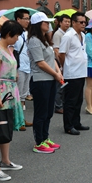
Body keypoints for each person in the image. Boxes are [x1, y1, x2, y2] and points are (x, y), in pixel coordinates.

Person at [0, 20, 25, 181]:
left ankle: (5, 160)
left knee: (6, 126)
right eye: (16, 36)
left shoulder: (8, 48)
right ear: (9, 34)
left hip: (10, 90)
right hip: (1, 91)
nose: (17, 39)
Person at [28, 12, 63, 153]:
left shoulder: (44, 39)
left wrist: (58, 72)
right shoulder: (34, 40)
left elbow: (51, 59)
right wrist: (55, 74)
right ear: (38, 24)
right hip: (40, 80)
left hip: (50, 79)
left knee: (48, 111)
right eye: (45, 23)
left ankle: (45, 137)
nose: (48, 25)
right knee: (41, 112)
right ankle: (39, 142)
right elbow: (40, 63)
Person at [58, 12, 89, 136]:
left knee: (79, 100)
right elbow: (61, 54)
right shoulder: (68, 36)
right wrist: (67, 66)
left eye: (84, 22)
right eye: (81, 22)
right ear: (73, 22)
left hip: (81, 72)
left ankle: (77, 123)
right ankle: (69, 126)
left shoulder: (83, 35)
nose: (83, 24)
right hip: (72, 73)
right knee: (70, 101)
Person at [14, 8, 33, 129]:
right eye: (25, 18)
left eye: (28, 18)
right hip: (19, 68)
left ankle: (21, 118)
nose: (28, 21)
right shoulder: (14, 34)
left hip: (27, 67)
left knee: (23, 95)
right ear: (18, 19)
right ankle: (17, 120)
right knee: (17, 94)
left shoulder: (26, 33)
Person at [52, 14, 70, 114]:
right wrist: (61, 65)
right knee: (60, 85)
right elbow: (56, 51)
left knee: (64, 85)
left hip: (66, 63)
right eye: (65, 21)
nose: (67, 23)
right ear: (60, 23)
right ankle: (58, 106)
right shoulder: (58, 34)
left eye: (69, 21)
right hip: (59, 64)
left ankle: (62, 104)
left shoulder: (68, 33)